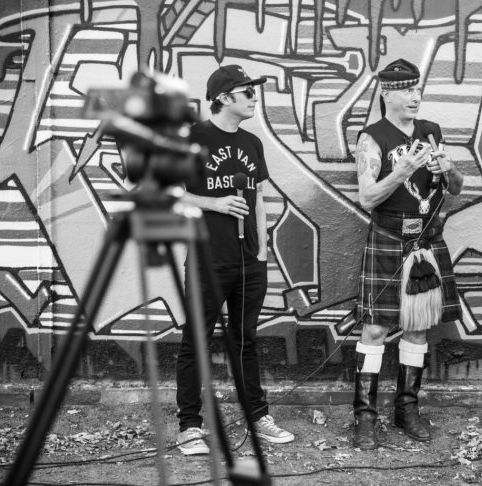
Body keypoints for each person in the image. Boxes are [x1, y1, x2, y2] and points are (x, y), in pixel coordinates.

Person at [175, 65, 294, 455]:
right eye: (248, 92)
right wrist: (212, 202)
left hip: (249, 262)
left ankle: (257, 417)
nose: (255, 98)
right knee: (196, 342)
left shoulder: (252, 143)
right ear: (225, 98)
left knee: (246, 341)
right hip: (207, 260)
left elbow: (258, 199)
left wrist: (262, 251)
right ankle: (189, 427)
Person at [351, 58, 464, 450]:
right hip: (388, 237)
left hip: (426, 241)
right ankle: (365, 416)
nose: (416, 96)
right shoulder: (372, 138)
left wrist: (450, 169)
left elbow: (456, 188)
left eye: (418, 89)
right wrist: (401, 171)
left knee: (417, 327)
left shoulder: (431, 132)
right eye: (407, 90)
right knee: (375, 330)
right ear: (387, 93)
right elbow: (367, 198)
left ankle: (407, 409)